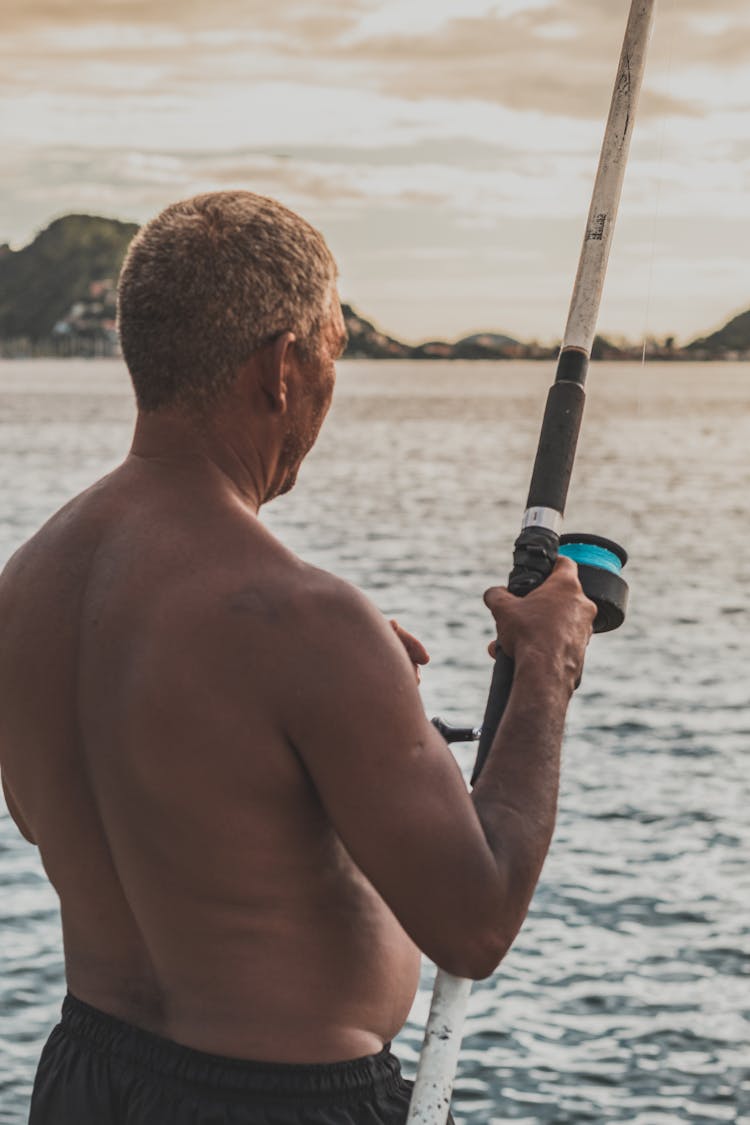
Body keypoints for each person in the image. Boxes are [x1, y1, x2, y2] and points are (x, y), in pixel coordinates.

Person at [0, 191, 596, 1125]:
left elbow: (66, 817)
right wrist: (549, 671)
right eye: (333, 351)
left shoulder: (24, 586)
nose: (328, 385)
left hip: (84, 1080)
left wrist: (333, 729)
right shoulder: (307, 621)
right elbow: (475, 923)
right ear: (283, 366)